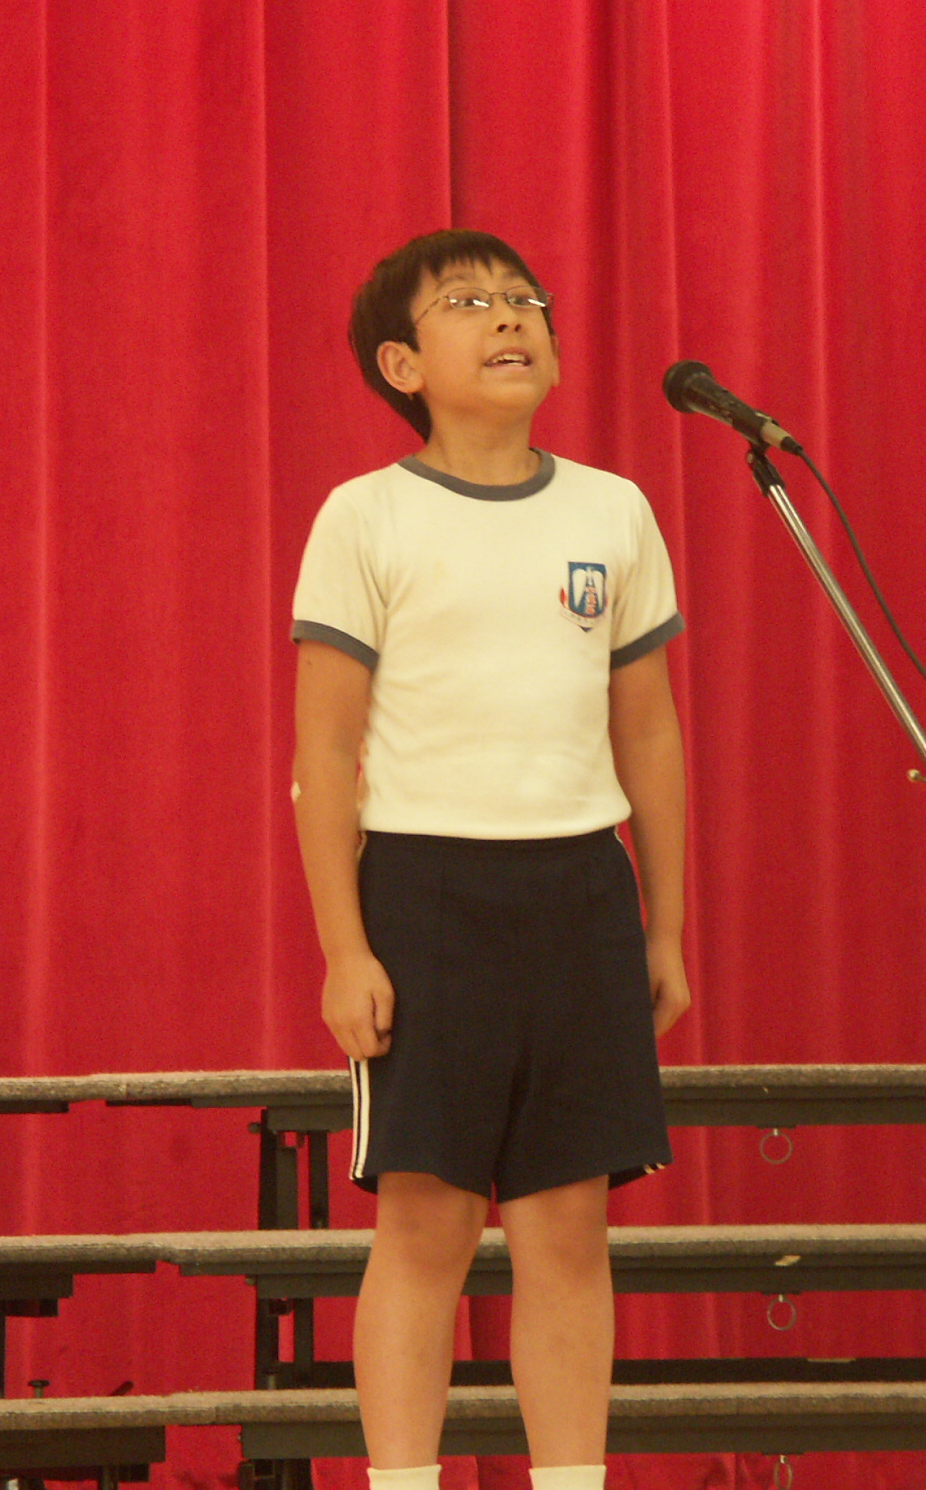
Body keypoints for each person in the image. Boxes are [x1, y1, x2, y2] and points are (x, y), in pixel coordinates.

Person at [289, 229, 691, 1490]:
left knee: (569, 1226)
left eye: (525, 298)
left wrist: (664, 927)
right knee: (427, 1221)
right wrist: (345, 948)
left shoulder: (612, 510)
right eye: (468, 302)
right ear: (402, 364)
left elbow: (648, 731)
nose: (511, 317)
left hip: (578, 891)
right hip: (424, 894)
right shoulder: (365, 515)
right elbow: (323, 751)